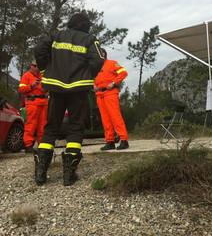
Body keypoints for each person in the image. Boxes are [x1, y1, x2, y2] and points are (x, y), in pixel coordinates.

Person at [34, 13, 104, 186]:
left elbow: (38, 50)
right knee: (76, 127)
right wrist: (87, 75)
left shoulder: (56, 35)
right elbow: (98, 59)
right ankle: (69, 175)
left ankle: (41, 173)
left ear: (70, 23)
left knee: (51, 127)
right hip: (78, 89)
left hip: (56, 88)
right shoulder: (89, 39)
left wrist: (46, 70)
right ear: (86, 25)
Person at [94, 49, 129, 151]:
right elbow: (94, 80)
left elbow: (123, 73)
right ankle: (110, 141)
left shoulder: (112, 63)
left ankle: (123, 140)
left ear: (103, 54)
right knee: (106, 119)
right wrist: (93, 85)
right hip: (100, 95)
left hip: (110, 93)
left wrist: (114, 83)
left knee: (115, 117)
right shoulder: (96, 68)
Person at [18, 60, 48, 153]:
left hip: (43, 102)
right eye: (34, 66)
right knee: (31, 124)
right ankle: (28, 145)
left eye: (37, 66)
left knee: (43, 125)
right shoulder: (26, 76)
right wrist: (32, 85)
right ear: (30, 66)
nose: (36, 68)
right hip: (32, 102)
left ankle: (42, 144)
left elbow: (46, 89)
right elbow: (21, 89)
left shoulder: (43, 76)